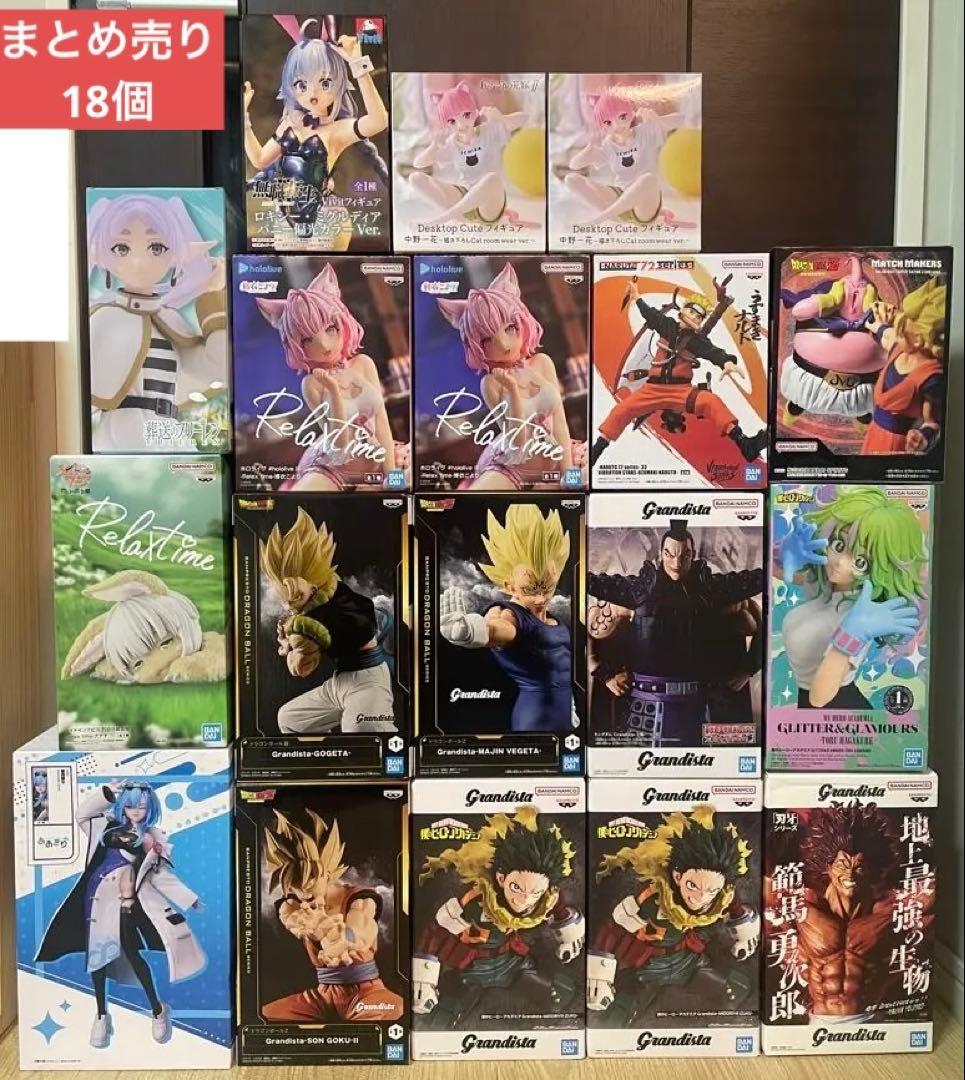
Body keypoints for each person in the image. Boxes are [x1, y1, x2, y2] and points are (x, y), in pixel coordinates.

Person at [36, 781, 205, 1049]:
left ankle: (157, 1009)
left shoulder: (151, 838)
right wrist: (107, 793)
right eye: (130, 805)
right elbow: (82, 815)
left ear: (150, 808)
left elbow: (159, 876)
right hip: (96, 900)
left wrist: (189, 898)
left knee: (131, 953)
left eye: (142, 806)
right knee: (97, 958)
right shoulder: (105, 826)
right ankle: (101, 1015)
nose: (135, 811)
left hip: (125, 904)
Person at [588, 520, 763, 745]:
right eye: (669, 554)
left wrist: (748, 668)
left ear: (693, 555)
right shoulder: (637, 590)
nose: (676, 563)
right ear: (661, 554)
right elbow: (592, 621)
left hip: (701, 705)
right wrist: (604, 673)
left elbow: (756, 611)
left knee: (706, 760)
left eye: (684, 555)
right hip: (646, 703)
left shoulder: (714, 589)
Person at [413, 806, 584, 1027]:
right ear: (502, 879)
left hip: (512, 964)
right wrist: (424, 979)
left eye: (535, 892)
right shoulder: (475, 899)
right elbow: (436, 930)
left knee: (558, 993)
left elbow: (563, 915)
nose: (524, 900)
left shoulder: (547, 899)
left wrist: (570, 939)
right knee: (443, 1014)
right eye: (516, 888)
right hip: (471, 969)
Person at [588, 806, 759, 1023]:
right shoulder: (652, 898)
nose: (700, 898)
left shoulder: (721, 897)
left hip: (687, 960)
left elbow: (735, 910)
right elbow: (613, 927)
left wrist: (746, 934)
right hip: (648, 966)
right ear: (678, 877)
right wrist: (599, 975)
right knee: (617, 1015)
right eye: (693, 886)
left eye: (711, 890)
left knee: (735, 988)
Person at [87, 193, 226, 451]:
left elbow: (217, 368)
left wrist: (211, 296)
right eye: (121, 248)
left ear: (175, 256)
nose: (139, 261)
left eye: (157, 248)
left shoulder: (170, 321)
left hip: (168, 434)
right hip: (122, 434)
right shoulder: (103, 318)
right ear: (105, 256)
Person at [590, 277, 767, 466]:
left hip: (681, 392)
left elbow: (714, 352)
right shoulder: (666, 326)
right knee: (622, 410)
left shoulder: (696, 341)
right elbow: (650, 314)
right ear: (682, 310)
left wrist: (727, 362)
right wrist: (637, 296)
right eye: (692, 311)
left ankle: (744, 443)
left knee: (710, 402)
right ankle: (596, 450)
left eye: (699, 316)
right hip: (652, 390)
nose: (694, 317)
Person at [243, 17, 388, 246]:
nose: (312, 93)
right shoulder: (288, 126)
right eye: (302, 84)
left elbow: (379, 121)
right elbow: (259, 160)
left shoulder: (336, 131)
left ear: (337, 84)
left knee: (324, 266)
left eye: (325, 83)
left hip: (325, 217)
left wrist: (358, 64)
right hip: (285, 217)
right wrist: (244, 118)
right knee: (289, 266)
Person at [255, 263, 400, 490]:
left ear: (342, 323)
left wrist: (392, 476)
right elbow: (339, 445)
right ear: (296, 345)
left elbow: (382, 421)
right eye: (307, 340)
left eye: (330, 329)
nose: (323, 344)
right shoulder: (312, 383)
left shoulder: (364, 364)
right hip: (333, 467)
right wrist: (332, 390)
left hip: (374, 460)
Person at [777, 489, 925, 710]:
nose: (839, 562)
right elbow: (787, 575)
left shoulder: (860, 614)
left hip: (836, 710)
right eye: (838, 545)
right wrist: (782, 554)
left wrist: (850, 637)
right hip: (810, 708)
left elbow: (819, 699)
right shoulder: (826, 588)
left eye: (860, 561)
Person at [436, 262, 577, 489]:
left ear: (522, 322)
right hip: (512, 466)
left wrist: (568, 473)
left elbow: (560, 421)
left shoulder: (542, 363)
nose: (503, 344)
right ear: (475, 345)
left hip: (550, 458)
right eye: (487, 340)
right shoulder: (491, 383)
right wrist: (511, 389)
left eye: (510, 328)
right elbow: (517, 442)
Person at [260, 508, 396, 734]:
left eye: (294, 596)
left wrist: (302, 639)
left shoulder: (335, 603)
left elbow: (301, 667)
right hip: (339, 683)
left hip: (368, 680)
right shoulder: (316, 603)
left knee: (361, 731)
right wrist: (291, 642)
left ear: (312, 586)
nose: (288, 606)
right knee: (290, 719)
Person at [439, 503, 573, 733]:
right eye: (530, 589)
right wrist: (469, 632)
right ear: (510, 586)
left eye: (548, 587)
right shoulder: (508, 614)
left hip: (566, 715)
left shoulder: (550, 615)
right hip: (536, 719)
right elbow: (496, 629)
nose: (541, 598)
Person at [260, 809, 402, 1023]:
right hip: (322, 996)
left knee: (377, 1021)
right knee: (265, 1018)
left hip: (367, 992)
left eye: (308, 881)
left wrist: (334, 932)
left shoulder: (361, 899)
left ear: (326, 872)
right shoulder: (291, 904)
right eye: (294, 884)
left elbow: (358, 936)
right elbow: (296, 922)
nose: (303, 892)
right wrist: (313, 927)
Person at [861, 276, 946, 455]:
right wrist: (873, 318)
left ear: (918, 340)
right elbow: (883, 332)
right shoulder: (899, 349)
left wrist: (923, 436)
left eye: (901, 332)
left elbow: (932, 422)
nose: (896, 334)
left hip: (897, 446)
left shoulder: (931, 378)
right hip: (874, 434)